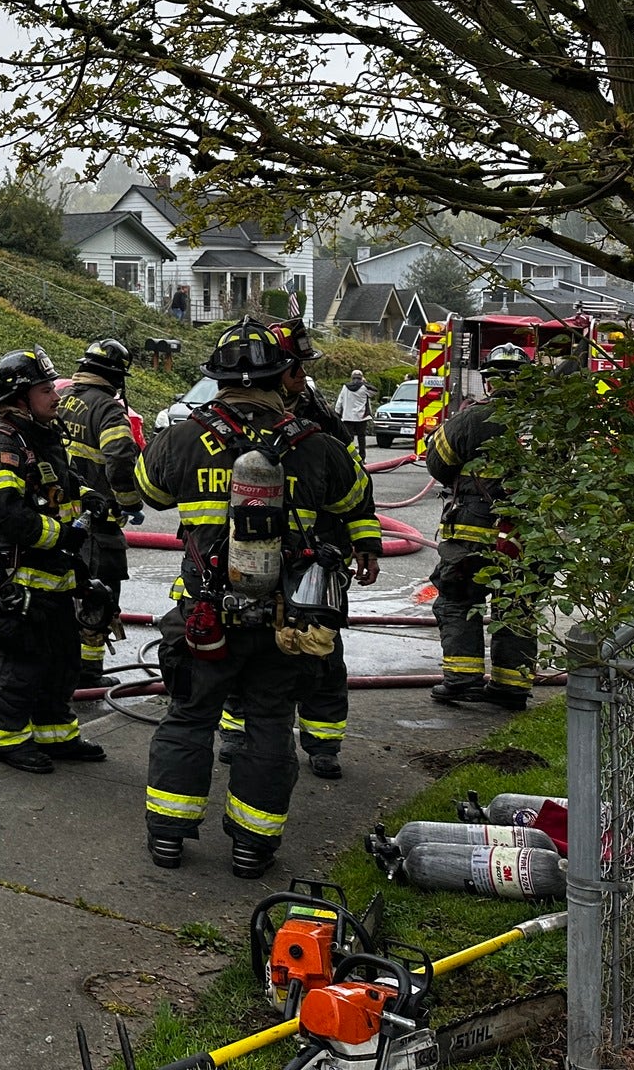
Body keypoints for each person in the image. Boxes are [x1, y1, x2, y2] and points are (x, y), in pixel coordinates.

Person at [136, 320, 384, 877]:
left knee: (189, 718)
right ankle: (252, 848)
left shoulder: (182, 437)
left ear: (218, 380)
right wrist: (361, 542)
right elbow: (356, 499)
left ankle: (169, 839)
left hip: (204, 616)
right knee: (270, 726)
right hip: (285, 624)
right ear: (282, 376)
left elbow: (146, 493)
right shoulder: (316, 443)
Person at [218, 318, 379, 781]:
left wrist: (365, 540)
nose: (303, 378)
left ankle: (322, 743)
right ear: (280, 371)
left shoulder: (316, 418)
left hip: (315, 557)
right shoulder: (232, 420)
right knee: (243, 648)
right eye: (298, 370)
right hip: (244, 558)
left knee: (321, 655)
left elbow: (354, 484)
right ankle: (235, 731)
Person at [0, 347, 107, 773]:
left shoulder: (42, 437)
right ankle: (8, 741)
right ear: (20, 396)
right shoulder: (2, 446)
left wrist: (88, 497)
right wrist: (62, 535)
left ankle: (57, 735)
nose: (56, 395)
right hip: (21, 578)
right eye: (47, 388)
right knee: (22, 665)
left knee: (61, 661)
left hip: (56, 578)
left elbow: (61, 484)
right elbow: (3, 514)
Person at [425, 342, 535, 709]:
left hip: (473, 531)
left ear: (488, 382)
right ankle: (511, 687)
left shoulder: (472, 419)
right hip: (528, 536)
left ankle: (462, 679)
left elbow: (438, 462)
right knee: (516, 606)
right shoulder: (549, 424)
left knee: (457, 598)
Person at [58, 339, 142, 689]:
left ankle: (60, 665)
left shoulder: (62, 401)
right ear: (115, 377)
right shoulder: (107, 410)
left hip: (60, 521)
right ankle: (89, 675)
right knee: (99, 598)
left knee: (63, 595)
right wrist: (129, 501)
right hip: (98, 523)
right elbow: (120, 455)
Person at [334, 370, 373, 457]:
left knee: (349, 438)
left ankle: (350, 456)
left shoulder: (345, 387)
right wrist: (365, 382)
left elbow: (340, 401)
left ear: (351, 378)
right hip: (361, 417)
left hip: (347, 417)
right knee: (361, 437)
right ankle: (362, 456)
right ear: (361, 378)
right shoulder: (364, 388)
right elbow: (374, 392)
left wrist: (337, 413)